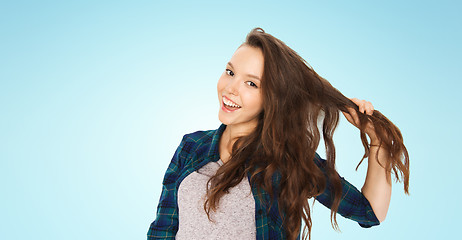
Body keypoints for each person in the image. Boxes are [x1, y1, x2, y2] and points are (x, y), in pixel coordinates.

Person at [147, 27, 410, 240]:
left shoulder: (289, 160)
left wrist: (379, 144)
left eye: (251, 83)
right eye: (230, 72)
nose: (231, 88)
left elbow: (370, 212)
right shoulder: (192, 146)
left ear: (273, 98)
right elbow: (163, 229)